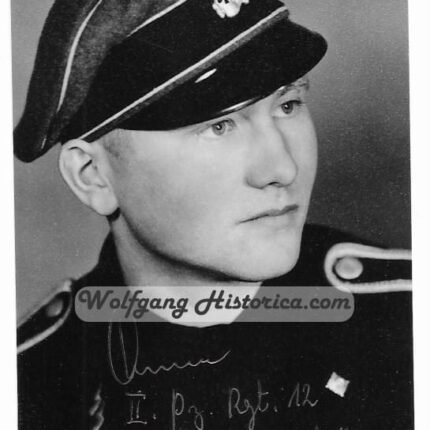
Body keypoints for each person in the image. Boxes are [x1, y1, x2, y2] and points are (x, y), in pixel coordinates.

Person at [15, 0, 413, 429]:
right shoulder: (29, 385)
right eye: (218, 126)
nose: (282, 169)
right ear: (93, 176)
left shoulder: (406, 317)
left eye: (288, 105)